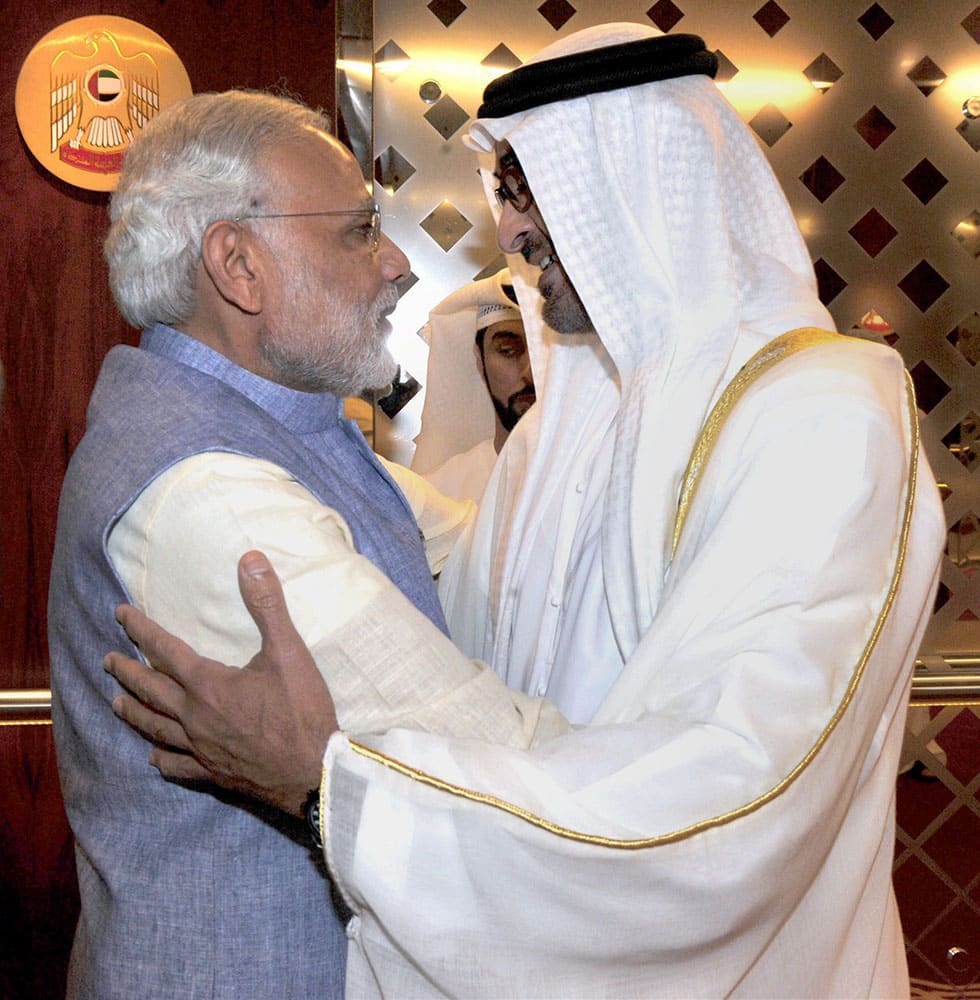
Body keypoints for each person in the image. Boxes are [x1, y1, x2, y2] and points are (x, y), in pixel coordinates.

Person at [106, 24, 946, 998]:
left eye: (532, 188)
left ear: (645, 184)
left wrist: (334, 789)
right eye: (504, 193)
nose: (512, 233)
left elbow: (732, 790)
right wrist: (258, 451)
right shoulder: (567, 425)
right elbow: (469, 599)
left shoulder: (824, 411)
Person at [47, 89, 474, 1000]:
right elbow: (472, 768)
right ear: (238, 266)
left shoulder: (254, 423)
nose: (395, 263)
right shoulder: (210, 490)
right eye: (358, 230)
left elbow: (469, 543)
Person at [412, 268, 535, 501]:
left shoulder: (598, 477)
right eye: (508, 350)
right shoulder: (438, 495)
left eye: (543, 351)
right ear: (480, 361)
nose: (530, 370)